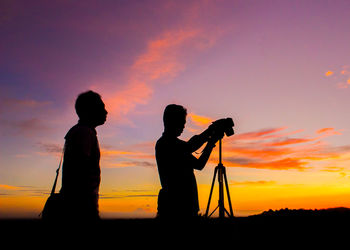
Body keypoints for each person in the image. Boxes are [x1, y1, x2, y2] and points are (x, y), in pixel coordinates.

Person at [155, 104, 222, 219]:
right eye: (182, 122)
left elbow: (198, 163)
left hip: (185, 206)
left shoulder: (171, 144)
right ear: (173, 121)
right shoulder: (166, 144)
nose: (183, 126)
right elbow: (190, 147)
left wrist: (210, 142)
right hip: (176, 208)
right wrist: (210, 133)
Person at [60, 90, 108, 221]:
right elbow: (80, 170)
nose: (106, 112)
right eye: (101, 108)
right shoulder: (84, 133)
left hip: (79, 205)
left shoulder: (80, 131)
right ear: (90, 110)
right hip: (80, 207)